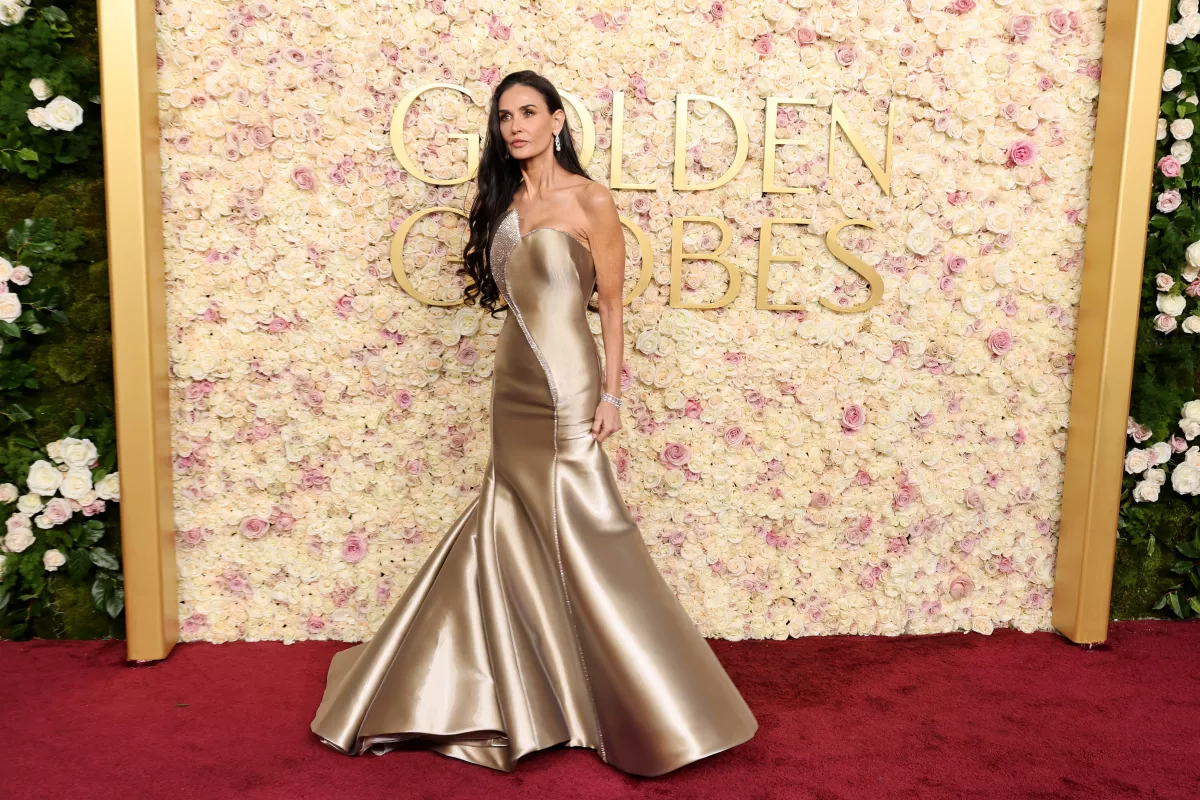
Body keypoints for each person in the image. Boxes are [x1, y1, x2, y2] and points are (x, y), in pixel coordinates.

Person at [310, 70, 758, 777]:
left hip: (569, 383)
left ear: (556, 121)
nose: (515, 126)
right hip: (512, 383)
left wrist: (612, 396)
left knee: (590, 528)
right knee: (510, 523)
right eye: (504, 117)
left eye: (527, 112)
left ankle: (657, 701)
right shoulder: (502, 201)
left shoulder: (591, 198)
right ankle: (530, 692)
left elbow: (612, 306)